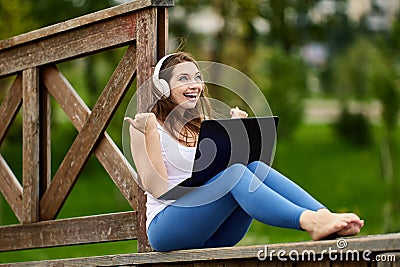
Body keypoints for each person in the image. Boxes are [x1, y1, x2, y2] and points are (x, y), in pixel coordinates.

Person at [124, 52, 364, 252]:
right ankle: (311, 221)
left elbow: (214, 175)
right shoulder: (145, 125)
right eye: (183, 78)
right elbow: (157, 188)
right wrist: (151, 134)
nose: (194, 84)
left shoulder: (204, 125)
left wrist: (236, 135)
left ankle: (324, 215)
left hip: (216, 232)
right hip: (168, 229)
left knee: (255, 167)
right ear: (163, 87)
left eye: (197, 77)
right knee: (236, 174)